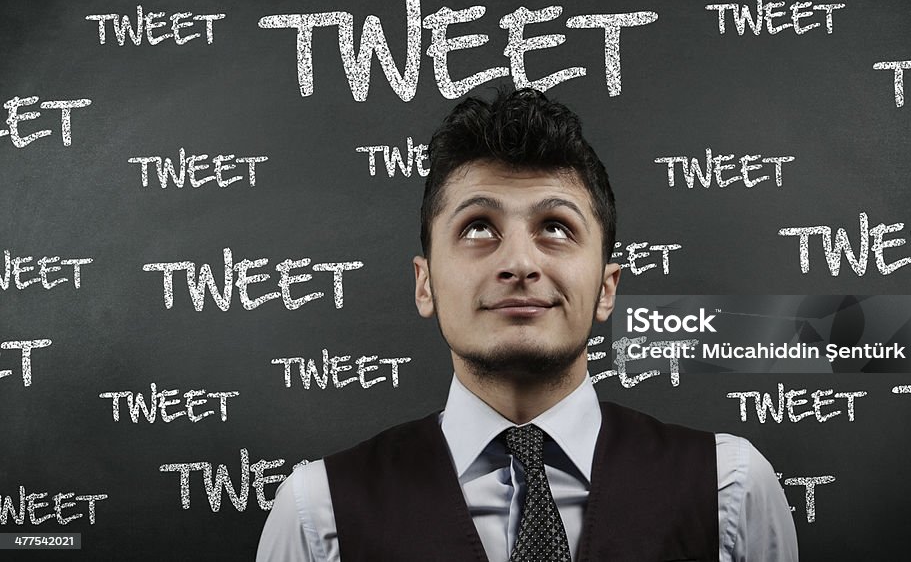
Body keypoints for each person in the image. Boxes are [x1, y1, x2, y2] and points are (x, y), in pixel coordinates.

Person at [256, 88, 798, 561]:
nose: (519, 263)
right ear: (425, 284)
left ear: (607, 288)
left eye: (556, 228)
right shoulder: (317, 515)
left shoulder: (730, 490)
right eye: (477, 228)